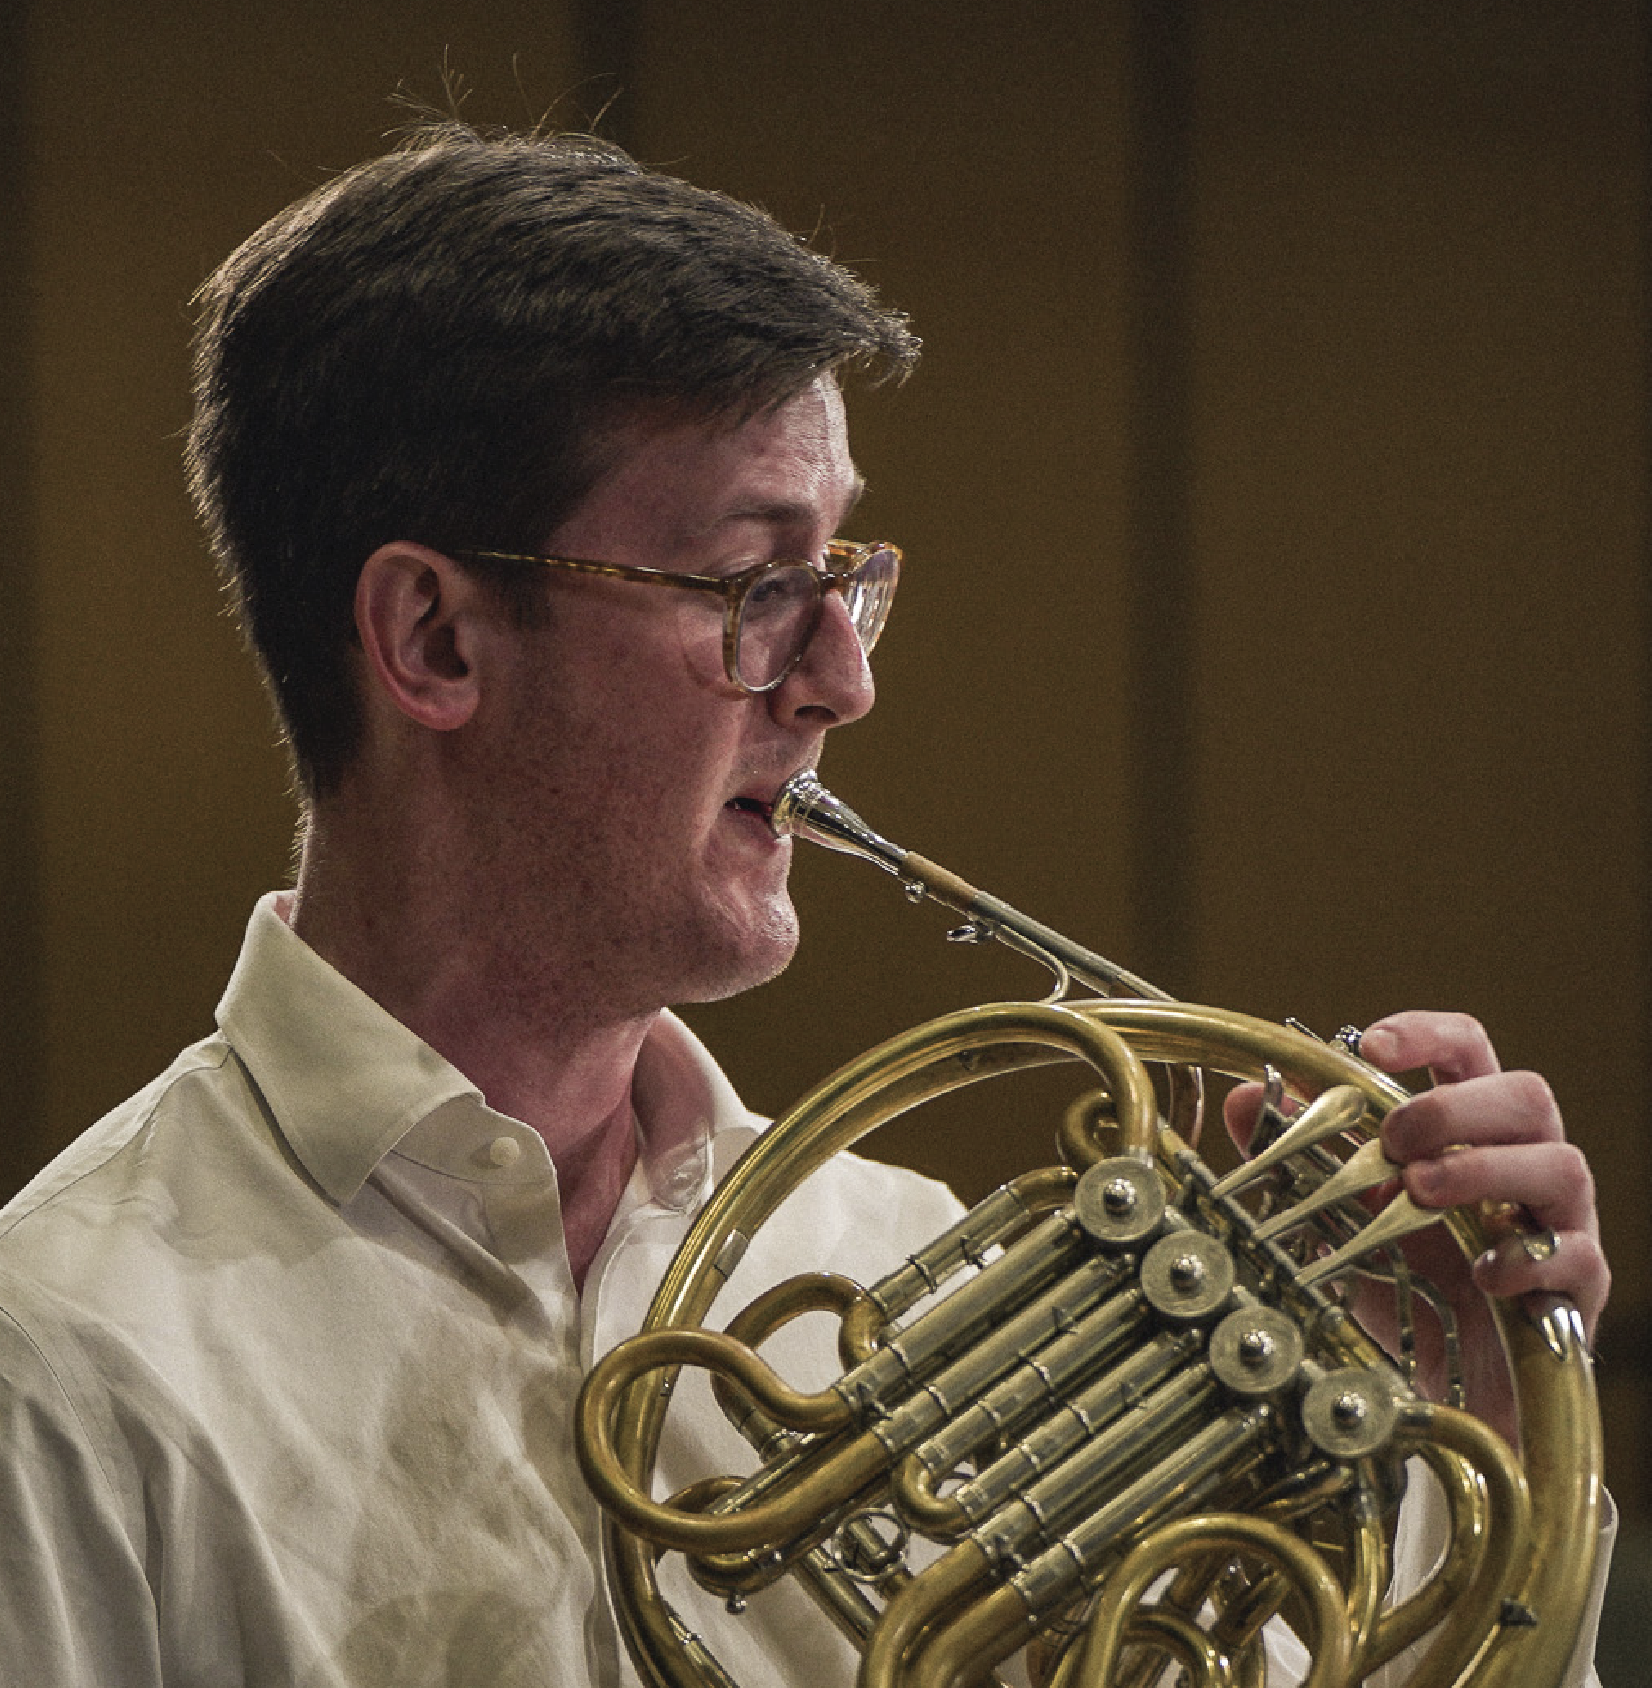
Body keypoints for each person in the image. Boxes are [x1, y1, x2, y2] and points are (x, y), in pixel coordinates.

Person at [0, 124, 1613, 1687]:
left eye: (844, 578)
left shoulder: (921, 1277)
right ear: (435, 640)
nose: (841, 680)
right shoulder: (64, 1363)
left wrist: (1463, 1430)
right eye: (758, 585)